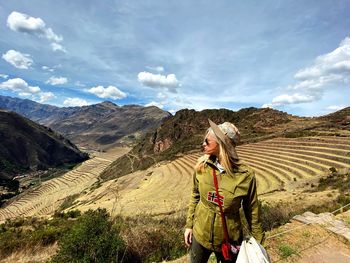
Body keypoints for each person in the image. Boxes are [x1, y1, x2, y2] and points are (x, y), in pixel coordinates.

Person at [184, 119, 265, 263]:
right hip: (200, 234)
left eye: (207, 141)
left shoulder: (245, 176)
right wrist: (189, 225)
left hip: (229, 240)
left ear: (221, 145)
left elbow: (252, 211)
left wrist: (258, 244)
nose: (203, 144)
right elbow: (195, 196)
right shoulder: (202, 166)